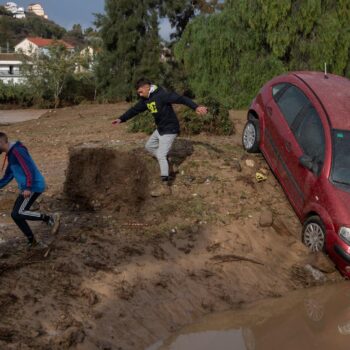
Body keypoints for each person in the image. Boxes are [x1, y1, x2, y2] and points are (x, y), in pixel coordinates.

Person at [113, 78, 208, 196]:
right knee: (149, 146)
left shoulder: (162, 95)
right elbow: (134, 110)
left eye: (140, 91)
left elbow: (181, 99)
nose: (139, 94)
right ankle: (167, 165)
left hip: (170, 129)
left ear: (147, 87)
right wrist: (121, 119)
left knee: (161, 155)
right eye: (138, 92)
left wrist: (196, 107)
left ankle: (165, 186)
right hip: (161, 129)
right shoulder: (145, 100)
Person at [0, 132, 60, 248]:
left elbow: (28, 168)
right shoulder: (11, 155)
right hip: (27, 188)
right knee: (15, 215)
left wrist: (28, 187)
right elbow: (7, 177)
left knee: (19, 212)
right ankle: (32, 241)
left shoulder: (17, 151)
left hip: (33, 186)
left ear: (1, 142)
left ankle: (49, 218)